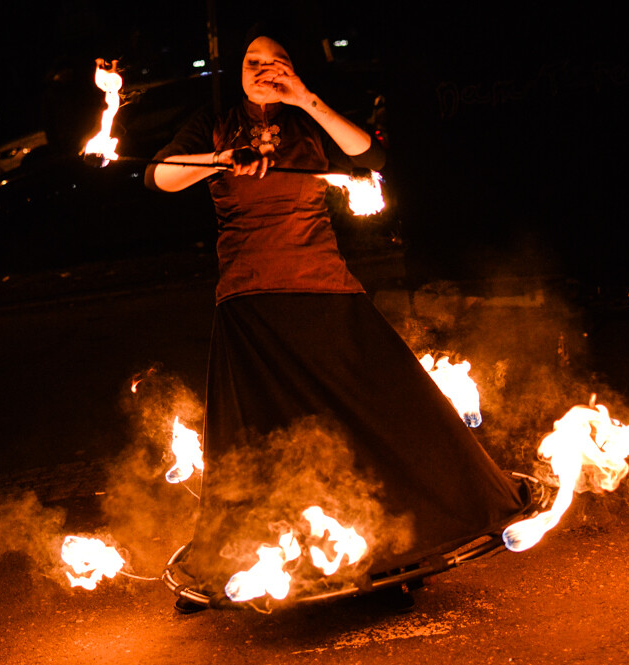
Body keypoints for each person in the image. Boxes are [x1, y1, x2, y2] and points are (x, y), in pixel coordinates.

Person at [145, 28, 527, 612]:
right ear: (238, 68)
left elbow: (370, 155)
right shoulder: (214, 125)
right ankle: (236, 558)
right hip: (249, 299)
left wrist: (304, 98)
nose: (264, 69)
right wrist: (220, 161)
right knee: (253, 442)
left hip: (323, 285)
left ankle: (401, 545)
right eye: (253, 61)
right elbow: (159, 177)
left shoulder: (307, 121)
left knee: (384, 414)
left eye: (278, 61)